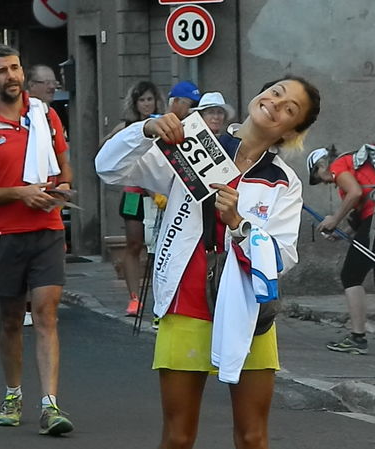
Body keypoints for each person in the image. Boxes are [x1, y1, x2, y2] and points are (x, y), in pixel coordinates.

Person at [96, 75, 321, 449]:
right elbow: (108, 168)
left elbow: (282, 257)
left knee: (252, 437)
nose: (275, 105)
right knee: (179, 437)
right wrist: (146, 129)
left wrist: (239, 226)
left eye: (289, 109)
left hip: (248, 310)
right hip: (186, 301)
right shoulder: (192, 142)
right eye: (276, 93)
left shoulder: (283, 180)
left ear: (293, 130)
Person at [0, 44, 74, 436]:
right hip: (5, 235)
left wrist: (58, 190)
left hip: (47, 230)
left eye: (15, 68)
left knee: (46, 315)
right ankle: (13, 394)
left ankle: (50, 406)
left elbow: (65, 170)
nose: (11, 76)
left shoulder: (46, 116)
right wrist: (19, 193)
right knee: (11, 320)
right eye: (2, 71)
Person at [310, 145, 375, 357]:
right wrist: (341, 230)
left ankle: (357, 337)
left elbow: (355, 193)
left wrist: (334, 218)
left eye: (318, 176)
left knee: (350, 275)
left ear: (321, 164)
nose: (324, 182)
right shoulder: (355, 166)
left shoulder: (339, 165)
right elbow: (361, 208)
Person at [102, 81, 168, 317]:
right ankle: (134, 297)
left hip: (158, 194)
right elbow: (106, 148)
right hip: (133, 194)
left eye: (150, 99)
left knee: (160, 246)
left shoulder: (163, 123)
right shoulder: (127, 127)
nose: (147, 104)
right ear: (135, 103)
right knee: (133, 244)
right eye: (142, 100)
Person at [22, 64, 61, 327]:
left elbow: (62, 152)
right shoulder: (18, 114)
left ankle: (44, 308)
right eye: (46, 82)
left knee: (49, 259)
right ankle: (25, 306)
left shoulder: (52, 115)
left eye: (54, 82)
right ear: (30, 86)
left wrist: (66, 182)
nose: (52, 86)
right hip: (22, 199)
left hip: (51, 199)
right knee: (25, 256)